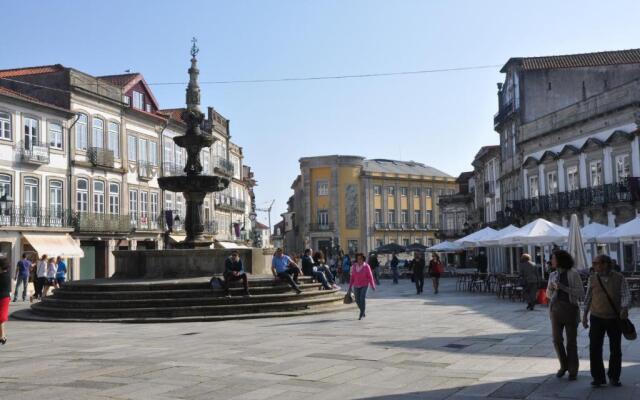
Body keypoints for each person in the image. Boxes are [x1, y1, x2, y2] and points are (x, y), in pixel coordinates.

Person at [582, 254, 631, 387]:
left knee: (615, 349)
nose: (594, 265)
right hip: (596, 317)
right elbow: (588, 298)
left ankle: (614, 377)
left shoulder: (619, 278)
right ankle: (598, 377)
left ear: (605, 264)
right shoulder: (592, 278)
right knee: (594, 348)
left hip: (614, 318)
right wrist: (584, 315)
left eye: (596, 263)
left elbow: (626, 294)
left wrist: (624, 307)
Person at [546, 249, 585, 382]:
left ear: (560, 260)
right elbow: (548, 295)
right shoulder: (553, 275)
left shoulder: (573, 273)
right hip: (555, 310)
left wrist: (563, 288)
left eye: (553, 258)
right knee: (556, 340)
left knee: (571, 342)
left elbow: (580, 293)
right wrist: (551, 289)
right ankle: (564, 366)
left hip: (570, 310)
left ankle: (573, 370)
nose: (551, 260)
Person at [348, 253, 376, 320]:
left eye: (360, 258)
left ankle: (361, 313)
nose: (359, 260)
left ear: (363, 259)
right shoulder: (354, 266)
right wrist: (350, 286)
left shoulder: (366, 266)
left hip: (365, 284)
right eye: (358, 259)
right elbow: (352, 277)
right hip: (356, 285)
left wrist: (372, 285)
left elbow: (370, 276)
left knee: (362, 298)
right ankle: (362, 311)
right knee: (357, 299)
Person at [0, 258, 10, 344]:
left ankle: (2, 335)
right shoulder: (7, 274)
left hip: (3, 298)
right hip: (5, 298)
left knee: (1, 317)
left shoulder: (3, 276)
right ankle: (2, 336)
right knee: (1, 317)